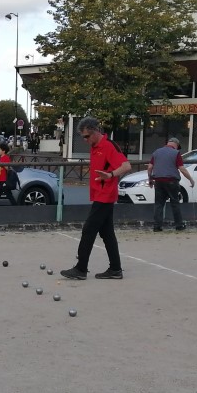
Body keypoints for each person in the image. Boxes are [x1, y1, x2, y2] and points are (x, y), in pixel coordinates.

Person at [60, 117, 131, 280]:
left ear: (95, 131)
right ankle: (115, 269)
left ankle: (81, 269)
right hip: (100, 195)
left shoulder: (108, 146)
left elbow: (126, 166)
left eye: (86, 136)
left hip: (105, 196)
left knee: (89, 230)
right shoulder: (95, 146)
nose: (85, 140)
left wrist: (111, 174)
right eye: (83, 137)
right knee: (107, 233)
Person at [148, 136, 194, 231]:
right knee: (175, 203)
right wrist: (190, 179)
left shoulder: (156, 152)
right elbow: (182, 169)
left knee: (159, 204)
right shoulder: (176, 153)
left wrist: (150, 179)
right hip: (172, 181)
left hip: (159, 181)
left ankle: (157, 226)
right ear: (176, 145)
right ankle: (179, 225)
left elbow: (149, 167)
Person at [0, 142, 17, 206]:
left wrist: (2, 164)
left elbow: (7, 168)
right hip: (0, 179)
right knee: (7, 195)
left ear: (4, 151)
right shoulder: (1, 158)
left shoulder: (5, 158)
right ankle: (16, 206)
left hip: (3, 180)